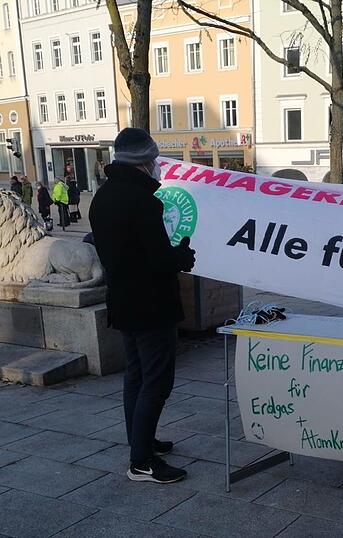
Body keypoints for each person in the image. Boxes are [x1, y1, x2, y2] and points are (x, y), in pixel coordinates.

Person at [89, 127, 195, 484]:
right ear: (144, 161)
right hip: (151, 305)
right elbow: (158, 259)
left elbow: (125, 253)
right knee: (157, 381)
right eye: (153, 159)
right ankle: (142, 462)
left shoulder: (102, 197)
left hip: (123, 302)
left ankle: (141, 441)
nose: (156, 165)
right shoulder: (143, 201)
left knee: (135, 376)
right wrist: (182, 256)